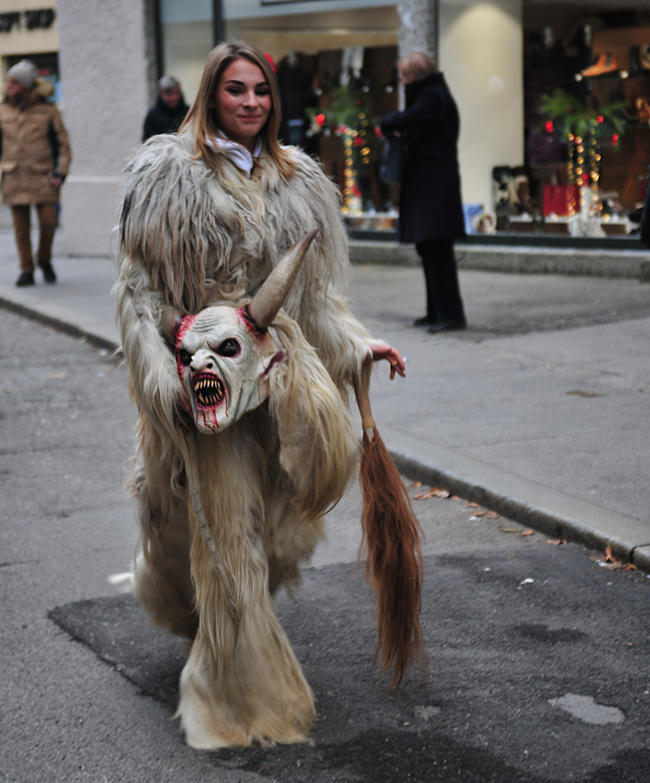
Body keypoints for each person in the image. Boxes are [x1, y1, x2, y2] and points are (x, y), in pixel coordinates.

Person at [115, 40, 406, 749]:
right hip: (205, 385)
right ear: (212, 93)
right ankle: (234, 698)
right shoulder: (166, 176)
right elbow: (137, 296)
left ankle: (182, 594)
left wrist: (358, 345)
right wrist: (164, 379)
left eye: (262, 92)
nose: (251, 103)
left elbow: (317, 298)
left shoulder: (299, 178)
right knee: (231, 543)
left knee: (282, 532)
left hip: (281, 383)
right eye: (237, 90)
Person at [380, 51, 467, 332]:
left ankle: (449, 315)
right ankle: (437, 312)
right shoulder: (434, 94)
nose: (402, 82)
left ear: (413, 76)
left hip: (434, 188)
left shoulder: (431, 97)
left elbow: (408, 119)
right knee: (431, 250)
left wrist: (388, 122)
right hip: (432, 185)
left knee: (437, 251)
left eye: (404, 76)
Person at [0, 59, 71, 286]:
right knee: (21, 228)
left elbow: (63, 144)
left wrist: (61, 172)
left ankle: (44, 258)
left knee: (48, 223)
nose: (9, 85)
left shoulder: (48, 111)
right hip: (13, 175)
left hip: (43, 175)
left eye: (15, 82)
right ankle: (26, 270)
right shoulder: (2, 109)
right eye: (9, 81)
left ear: (27, 85)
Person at [142, 74, 189, 140]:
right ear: (160, 94)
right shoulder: (153, 116)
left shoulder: (189, 113)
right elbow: (147, 143)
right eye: (168, 93)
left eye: (176, 92)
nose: (173, 97)